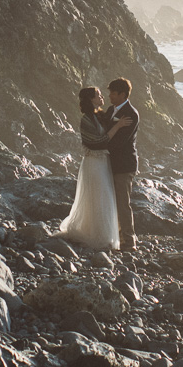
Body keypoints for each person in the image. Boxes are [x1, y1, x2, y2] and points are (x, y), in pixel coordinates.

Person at [57, 86, 129, 250]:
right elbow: (98, 142)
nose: (102, 96)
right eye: (98, 95)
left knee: (103, 197)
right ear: (91, 99)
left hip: (102, 162)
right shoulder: (86, 119)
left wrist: (117, 123)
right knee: (98, 197)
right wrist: (118, 127)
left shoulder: (99, 116)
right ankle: (99, 237)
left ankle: (103, 235)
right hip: (94, 163)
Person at [103, 77, 140, 251]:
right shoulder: (111, 109)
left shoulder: (131, 113)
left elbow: (119, 141)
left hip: (124, 164)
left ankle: (129, 240)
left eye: (113, 93)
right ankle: (116, 236)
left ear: (122, 94)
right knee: (111, 201)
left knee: (123, 202)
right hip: (109, 162)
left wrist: (101, 143)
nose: (109, 95)